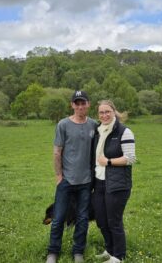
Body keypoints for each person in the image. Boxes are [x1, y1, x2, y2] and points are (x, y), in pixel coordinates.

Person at [46, 91, 97, 263]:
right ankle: (53, 252)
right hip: (66, 181)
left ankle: (78, 253)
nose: (80, 106)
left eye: (83, 103)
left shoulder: (93, 125)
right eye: (77, 103)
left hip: (86, 182)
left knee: (82, 219)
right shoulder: (63, 124)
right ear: (72, 105)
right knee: (59, 217)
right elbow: (57, 152)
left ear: (88, 104)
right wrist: (59, 175)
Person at [92, 100, 136, 263]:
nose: (104, 115)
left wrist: (109, 161)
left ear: (114, 112)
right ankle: (109, 250)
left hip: (117, 185)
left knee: (114, 221)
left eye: (107, 112)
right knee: (102, 220)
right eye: (101, 112)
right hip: (99, 182)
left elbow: (130, 159)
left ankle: (119, 256)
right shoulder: (98, 131)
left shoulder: (124, 131)